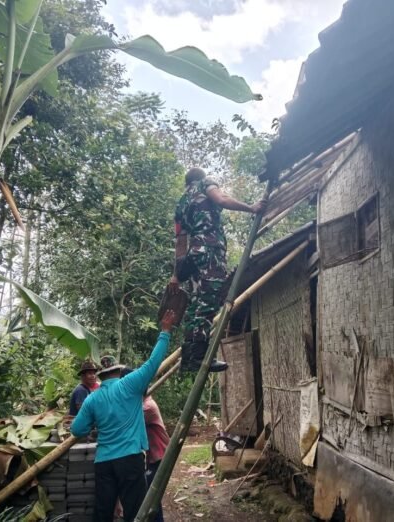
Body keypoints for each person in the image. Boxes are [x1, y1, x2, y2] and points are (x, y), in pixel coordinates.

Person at [71, 310, 176, 522]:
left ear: (100, 375)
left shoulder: (92, 398)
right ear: (119, 371)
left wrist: (94, 424)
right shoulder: (130, 384)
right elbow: (152, 363)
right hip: (130, 459)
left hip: (104, 462)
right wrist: (165, 332)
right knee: (135, 511)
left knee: (103, 512)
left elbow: (76, 429)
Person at [170, 167, 266, 372]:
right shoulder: (205, 184)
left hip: (193, 256)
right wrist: (251, 208)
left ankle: (189, 357)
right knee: (208, 302)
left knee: (196, 304)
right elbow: (221, 199)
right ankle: (198, 356)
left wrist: (176, 275)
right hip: (210, 252)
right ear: (200, 179)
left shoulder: (181, 205)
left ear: (186, 183)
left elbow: (180, 241)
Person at [120, 368, 170, 522]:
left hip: (159, 455)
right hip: (153, 455)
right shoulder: (143, 403)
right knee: (150, 494)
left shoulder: (146, 407)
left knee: (151, 496)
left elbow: (126, 423)